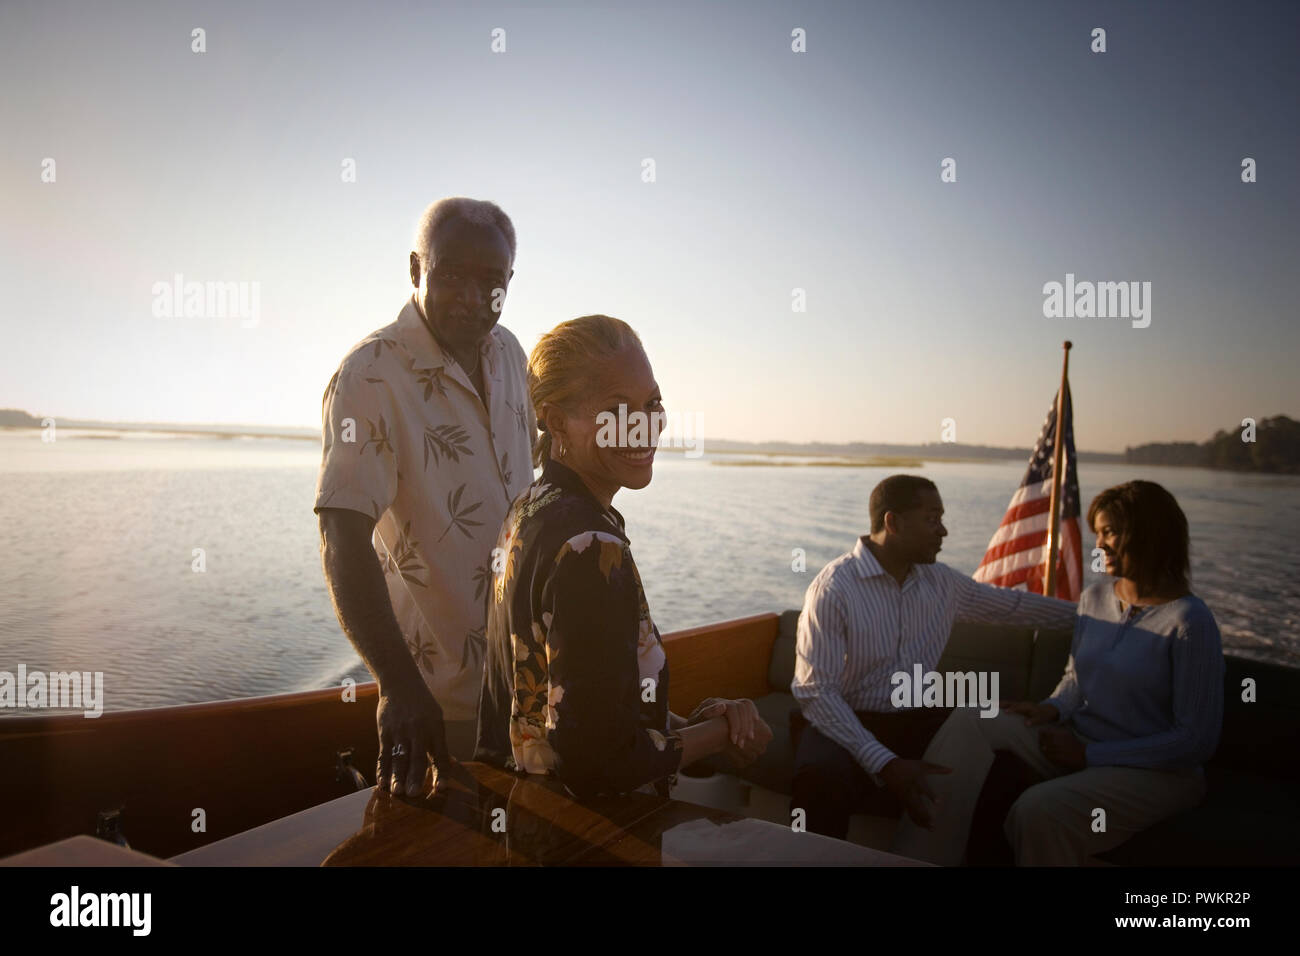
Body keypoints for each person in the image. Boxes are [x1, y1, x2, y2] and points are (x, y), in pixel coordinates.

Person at [475, 315, 772, 799]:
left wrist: (693, 721)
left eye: (652, 403)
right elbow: (601, 763)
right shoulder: (591, 546)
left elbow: (576, 703)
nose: (643, 426)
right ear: (554, 420)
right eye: (616, 410)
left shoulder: (529, 507)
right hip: (585, 837)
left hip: (519, 810)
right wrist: (723, 734)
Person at [315, 197, 534, 797]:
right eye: (452, 274)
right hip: (439, 701)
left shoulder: (511, 354)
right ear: (416, 269)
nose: (471, 296)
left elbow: (527, 480)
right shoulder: (370, 375)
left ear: (508, 282)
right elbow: (341, 536)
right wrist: (397, 686)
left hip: (528, 687)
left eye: (490, 281)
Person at [892, 480, 1224, 865]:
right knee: (973, 718)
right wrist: (1050, 708)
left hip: (1157, 773)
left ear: (1151, 532)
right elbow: (1075, 678)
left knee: (1038, 811)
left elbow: (1194, 741)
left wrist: (1090, 754)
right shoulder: (1096, 599)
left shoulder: (1190, 622)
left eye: (1111, 532)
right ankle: (919, 858)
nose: (1099, 545)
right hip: (1079, 738)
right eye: (1098, 534)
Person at [791, 475, 1078, 840]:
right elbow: (817, 693)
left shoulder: (942, 583)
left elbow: (1014, 608)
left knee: (1005, 772)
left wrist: (1100, 614)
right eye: (932, 518)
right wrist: (885, 763)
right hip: (842, 722)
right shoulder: (834, 588)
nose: (943, 531)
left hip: (916, 717)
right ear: (892, 523)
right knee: (819, 780)